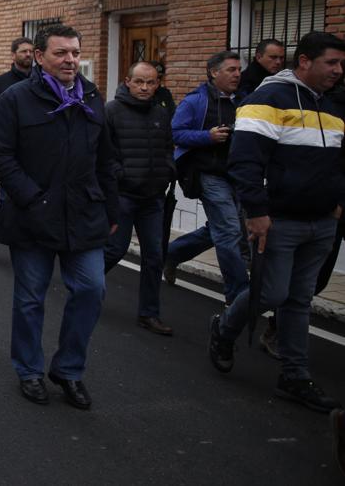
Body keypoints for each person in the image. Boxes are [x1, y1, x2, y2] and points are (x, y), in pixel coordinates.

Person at [208, 31, 345, 413]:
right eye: (330, 62)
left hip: (322, 223)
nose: (338, 70)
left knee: (300, 300)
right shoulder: (267, 98)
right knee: (270, 294)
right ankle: (224, 329)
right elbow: (245, 160)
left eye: (340, 64)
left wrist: (338, 205)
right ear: (304, 61)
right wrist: (256, 212)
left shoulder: (333, 107)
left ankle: (294, 376)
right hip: (278, 221)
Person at [0, 24, 117, 411]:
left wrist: (112, 207)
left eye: (75, 52)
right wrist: (32, 197)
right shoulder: (16, 98)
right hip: (33, 216)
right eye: (61, 53)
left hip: (84, 214)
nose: (71, 60)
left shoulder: (91, 97)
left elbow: (107, 158)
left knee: (91, 289)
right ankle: (29, 370)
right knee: (30, 299)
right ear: (40, 57)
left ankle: (69, 370)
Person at [164, 51, 249, 304]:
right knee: (231, 231)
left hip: (237, 175)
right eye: (231, 70)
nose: (237, 74)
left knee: (219, 230)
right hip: (208, 175)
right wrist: (207, 137)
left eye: (238, 70)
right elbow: (175, 133)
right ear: (214, 72)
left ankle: (172, 254)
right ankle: (239, 295)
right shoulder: (196, 101)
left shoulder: (243, 102)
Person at [102, 62, 176, 336]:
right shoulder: (110, 111)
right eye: (139, 82)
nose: (145, 88)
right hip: (122, 196)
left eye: (151, 82)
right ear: (127, 81)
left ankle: (149, 314)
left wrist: (168, 171)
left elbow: (169, 148)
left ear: (157, 84)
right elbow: (104, 155)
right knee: (114, 250)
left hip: (153, 198)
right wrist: (120, 176)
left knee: (155, 256)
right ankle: (86, 287)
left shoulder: (161, 113)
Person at [0, 37, 34, 256]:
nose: (28, 54)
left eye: (31, 51)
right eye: (23, 51)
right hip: (9, 155)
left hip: (35, 155)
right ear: (13, 55)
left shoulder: (44, 81)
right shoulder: (0, 84)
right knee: (7, 198)